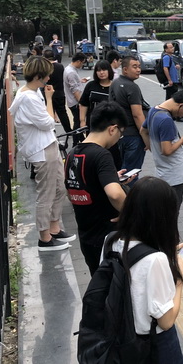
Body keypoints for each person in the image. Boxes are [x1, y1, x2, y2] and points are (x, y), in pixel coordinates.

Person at [103, 177, 183, 364]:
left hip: (117, 333)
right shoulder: (155, 260)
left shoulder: (110, 240)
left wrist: (163, 252)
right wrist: (179, 279)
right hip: (150, 344)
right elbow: (166, 322)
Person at [9, 56, 75, 251]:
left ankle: (54, 228)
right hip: (41, 149)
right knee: (46, 193)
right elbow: (48, 122)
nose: (49, 78)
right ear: (39, 76)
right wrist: (49, 99)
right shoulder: (29, 97)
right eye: (47, 75)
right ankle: (44, 238)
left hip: (47, 144)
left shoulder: (31, 91)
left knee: (59, 186)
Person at [65, 102, 130, 275]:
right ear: (112, 129)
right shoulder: (102, 155)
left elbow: (72, 191)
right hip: (107, 237)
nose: (118, 139)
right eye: (120, 134)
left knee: (98, 281)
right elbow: (115, 194)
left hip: (86, 235)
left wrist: (112, 177)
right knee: (115, 285)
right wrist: (130, 213)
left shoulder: (72, 153)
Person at [140, 90, 183, 209]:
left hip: (161, 170)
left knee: (162, 207)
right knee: (172, 208)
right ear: (181, 105)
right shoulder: (166, 120)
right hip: (173, 173)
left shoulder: (153, 110)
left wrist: (153, 149)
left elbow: (143, 131)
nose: (181, 116)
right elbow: (166, 151)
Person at [109, 55, 147, 174]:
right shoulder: (132, 87)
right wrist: (146, 137)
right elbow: (137, 114)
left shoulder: (115, 83)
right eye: (134, 67)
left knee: (121, 171)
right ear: (125, 69)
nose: (138, 70)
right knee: (131, 174)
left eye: (139, 67)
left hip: (118, 134)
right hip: (133, 135)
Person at [42, 49, 71, 134]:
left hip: (48, 93)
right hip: (60, 92)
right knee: (63, 113)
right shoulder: (60, 66)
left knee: (49, 113)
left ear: (45, 57)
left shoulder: (45, 68)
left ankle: (51, 131)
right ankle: (68, 130)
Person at [79, 60, 114, 130]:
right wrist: (82, 121)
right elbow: (83, 104)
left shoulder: (114, 87)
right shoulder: (91, 85)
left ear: (109, 71)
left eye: (104, 70)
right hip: (92, 123)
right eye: (98, 70)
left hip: (109, 125)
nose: (101, 72)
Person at [64, 52, 88, 146]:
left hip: (72, 101)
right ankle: (75, 143)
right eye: (82, 63)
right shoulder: (71, 72)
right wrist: (81, 102)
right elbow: (75, 90)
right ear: (78, 61)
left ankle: (81, 140)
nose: (82, 65)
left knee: (77, 121)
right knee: (77, 123)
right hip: (75, 102)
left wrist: (80, 80)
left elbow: (73, 83)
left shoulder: (69, 69)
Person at [160, 42, 183, 123]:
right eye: (170, 47)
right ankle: (176, 116)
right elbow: (165, 68)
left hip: (174, 81)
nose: (172, 48)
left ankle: (170, 115)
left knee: (170, 99)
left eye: (172, 47)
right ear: (166, 49)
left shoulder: (170, 57)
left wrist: (175, 67)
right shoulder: (166, 57)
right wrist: (169, 80)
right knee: (174, 99)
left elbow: (169, 68)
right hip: (172, 82)